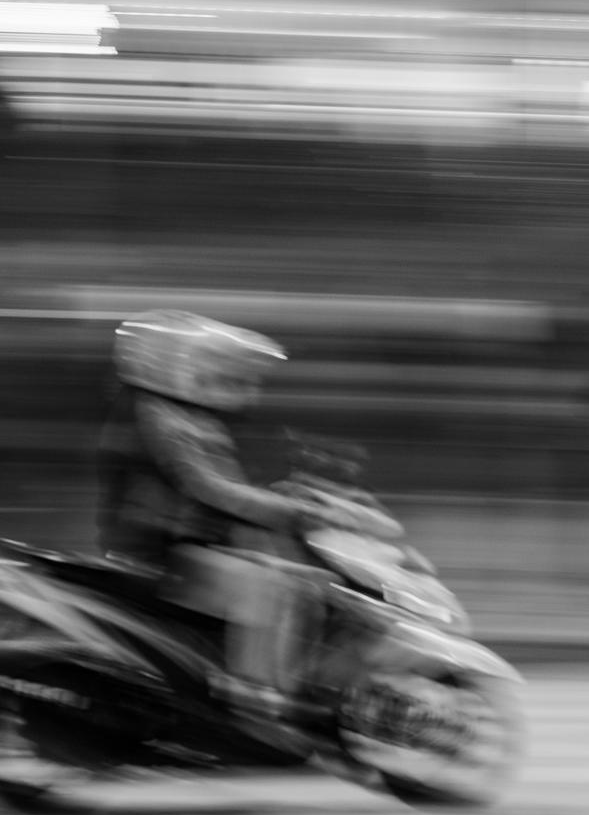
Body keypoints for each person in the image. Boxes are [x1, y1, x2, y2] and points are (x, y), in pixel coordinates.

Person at [96, 310, 378, 735]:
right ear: (173, 363)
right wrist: (288, 511)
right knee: (272, 586)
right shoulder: (156, 416)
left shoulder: (186, 416)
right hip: (162, 554)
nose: (227, 379)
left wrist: (295, 494)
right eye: (213, 368)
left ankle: (298, 690)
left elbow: (228, 489)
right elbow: (207, 488)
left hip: (194, 547)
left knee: (313, 583)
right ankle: (253, 702)